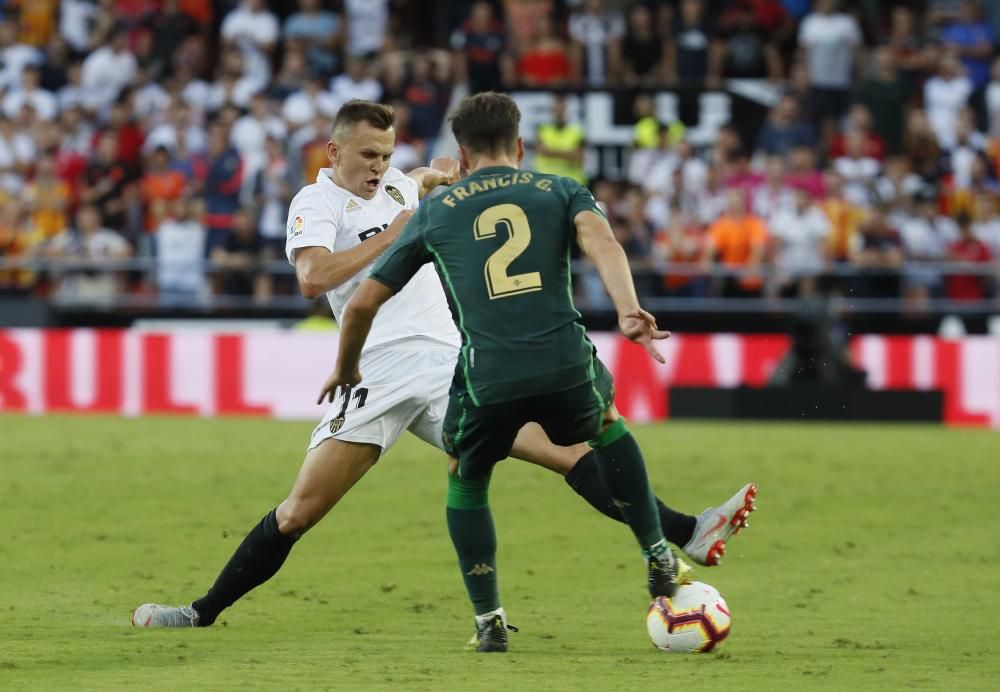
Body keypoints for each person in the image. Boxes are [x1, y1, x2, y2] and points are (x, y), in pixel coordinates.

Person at [131, 100, 755, 632]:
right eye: (367, 156)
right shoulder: (316, 203)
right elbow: (312, 277)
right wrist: (401, 230)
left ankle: (682, 531)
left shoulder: (405, 185)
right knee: (299, 511)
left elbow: (427, 183)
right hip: (375, 370)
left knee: (564, 454)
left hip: (445, 362)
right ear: (333, 153)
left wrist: (435, 181)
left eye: (385, 154)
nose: (378, 167)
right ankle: (202, 611)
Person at [316, 94, 756, 653]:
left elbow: (358, 306)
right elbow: (603, 241)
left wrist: (347, 366)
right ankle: (657, 554)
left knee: (467, 476)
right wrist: (628, 309)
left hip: (487, 373)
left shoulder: (437, 211)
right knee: (608, 428)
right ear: (520, 146)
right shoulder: (558, 190)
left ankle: (489, 621)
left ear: (464, 155)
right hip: (563, 360)